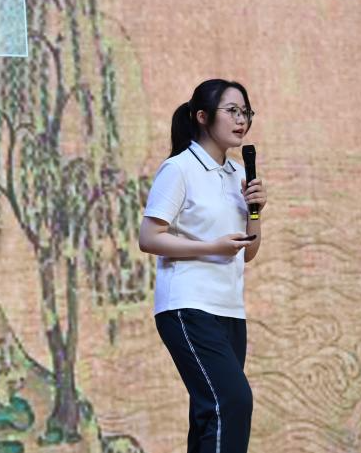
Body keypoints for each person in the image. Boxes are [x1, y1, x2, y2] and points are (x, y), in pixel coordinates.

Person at [139, 79, 267, 453]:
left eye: (246, 112)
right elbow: (149, 237)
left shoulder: (237, 175)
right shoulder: (179, 169)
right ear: (202, 116)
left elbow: (247, 252)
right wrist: (211, 247)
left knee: (209, 415)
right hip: (188, 305)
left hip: (229, 308)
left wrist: (256, 212)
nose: (241, 120)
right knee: (233, 402)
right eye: (232, 111)